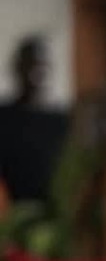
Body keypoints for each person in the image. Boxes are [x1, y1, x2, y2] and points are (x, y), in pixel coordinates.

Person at [0, 36, 68, 206]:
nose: (37, 71)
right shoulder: (4, 117)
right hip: (11, 215)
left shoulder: (61, 121)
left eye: (42, 64)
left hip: (53, 214)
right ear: (17, 67)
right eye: (30, 64)